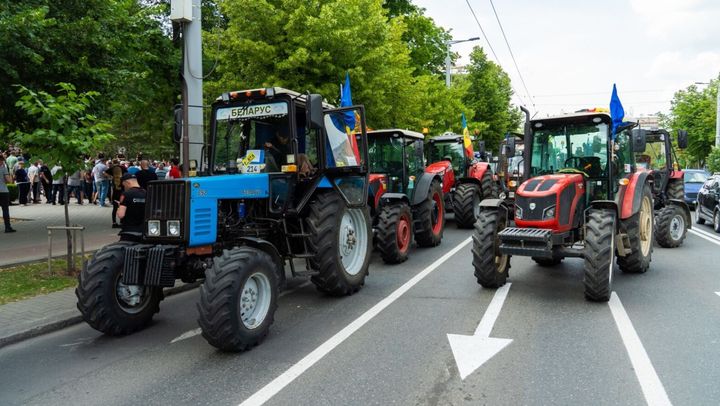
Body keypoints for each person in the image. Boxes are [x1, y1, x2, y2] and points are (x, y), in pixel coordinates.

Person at [117, 173, 146, 239]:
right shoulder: (146, 193)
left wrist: (119, 207)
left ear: (127, 182)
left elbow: (121, 215)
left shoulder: (126, 194)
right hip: (143, 231)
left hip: (129, 231)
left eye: (123, 185)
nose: (124, 188)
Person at [105, 159, 126, 228]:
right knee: (122, 207)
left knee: (115, 208)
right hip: (122, 192)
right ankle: (122, 222)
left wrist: (110, 177)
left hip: (115, 191)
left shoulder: (112, 168)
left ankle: (114, 222)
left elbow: (104, 172)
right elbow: (127, 174)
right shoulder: (123, 168)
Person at [0, 155, 16, 232]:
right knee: (5, 210)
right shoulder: (3, 168)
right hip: (3, 191)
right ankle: (7, 227)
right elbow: (8, 180)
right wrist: (10, 177)